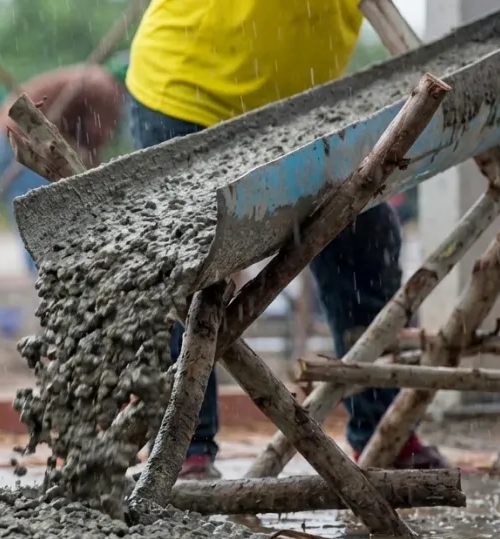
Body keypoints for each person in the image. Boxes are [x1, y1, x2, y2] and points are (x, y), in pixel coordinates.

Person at [125, 0, 451, 480]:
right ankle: (183, 450)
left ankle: (384, 429)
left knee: (366, 242)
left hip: (307, 108)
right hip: (187, 95)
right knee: (189, 272)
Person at [0, 58, 130, 275]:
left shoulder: (90, 77)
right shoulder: (105, 87)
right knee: (44, 218)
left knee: (37, 218)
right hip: (17, 138)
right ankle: (48, 279)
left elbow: (85, 141)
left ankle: (45, 277)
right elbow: (95, 137)